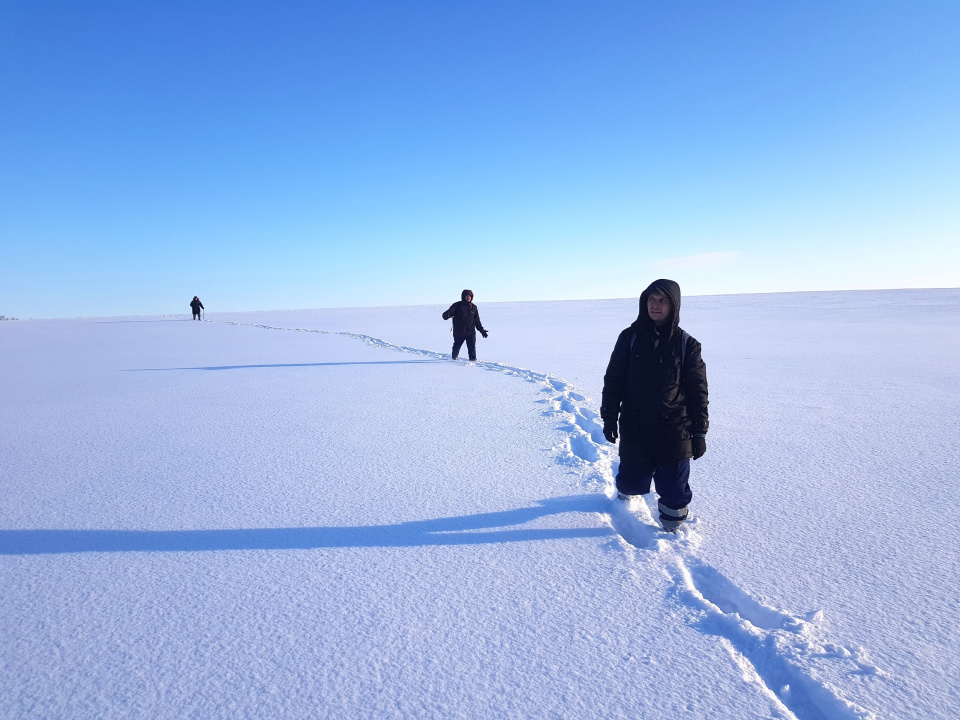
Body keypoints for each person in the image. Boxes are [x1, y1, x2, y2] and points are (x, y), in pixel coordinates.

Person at [600, 279, 708, 532]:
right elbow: (614, 380)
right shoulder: (629, 338)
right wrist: (609, 417)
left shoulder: (686, 344)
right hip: (636, 426)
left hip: (675, 428)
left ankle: (673, 531)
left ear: (674, 305)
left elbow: (698, 391)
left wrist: (700, 432)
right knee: (630, 482)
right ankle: (624, 497)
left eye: (662, 300)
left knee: (674, 489)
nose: (655, 305)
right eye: (651, 299)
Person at [441, 289, 489, 361]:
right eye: (466, 296)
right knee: (456, 347)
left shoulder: (474, 307)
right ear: (463, 297)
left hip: (471, 332)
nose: (468, 297)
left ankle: (473, 362)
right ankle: (453, 360)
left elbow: (477, 321)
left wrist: (482, 330)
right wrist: (446, 315)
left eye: (470, 296)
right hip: (459, 332)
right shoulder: (457, 305)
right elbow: (449, 313)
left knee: (472, 348)